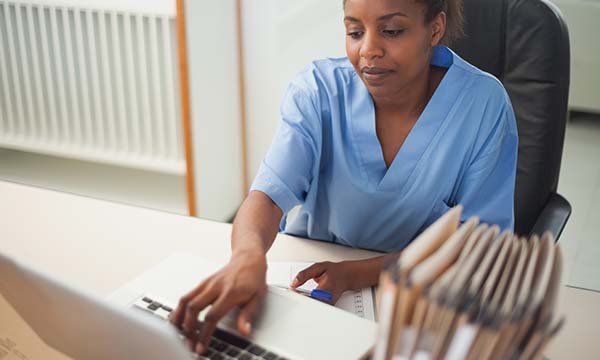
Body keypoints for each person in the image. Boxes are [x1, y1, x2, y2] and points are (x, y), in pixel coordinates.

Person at [170, 0, 518, 354]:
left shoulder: (483, 106)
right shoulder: (318, 91)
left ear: (435, 28)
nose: (368, 50)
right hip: (307, 287)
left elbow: (478, 248)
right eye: (354, 32)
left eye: (392, 31)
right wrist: (247, 256)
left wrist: (360, 272)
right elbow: (268, 195)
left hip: (418, 302)